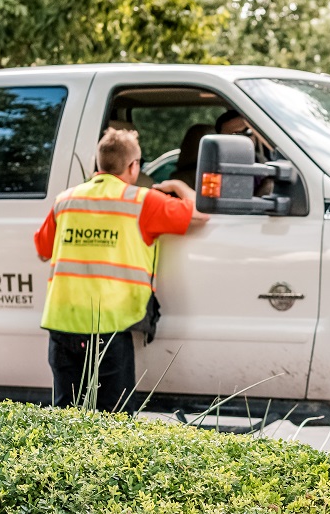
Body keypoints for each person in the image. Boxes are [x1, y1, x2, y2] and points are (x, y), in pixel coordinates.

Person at [34, 127, 203, 411]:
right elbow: (199, 213)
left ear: (98, 163)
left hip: (62, 325)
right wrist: (177, 186)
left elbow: (42, 251)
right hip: (109, 326)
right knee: (115, 421)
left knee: (66, 419)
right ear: (133, 166)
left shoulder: (66, 200)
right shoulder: (142, 201)